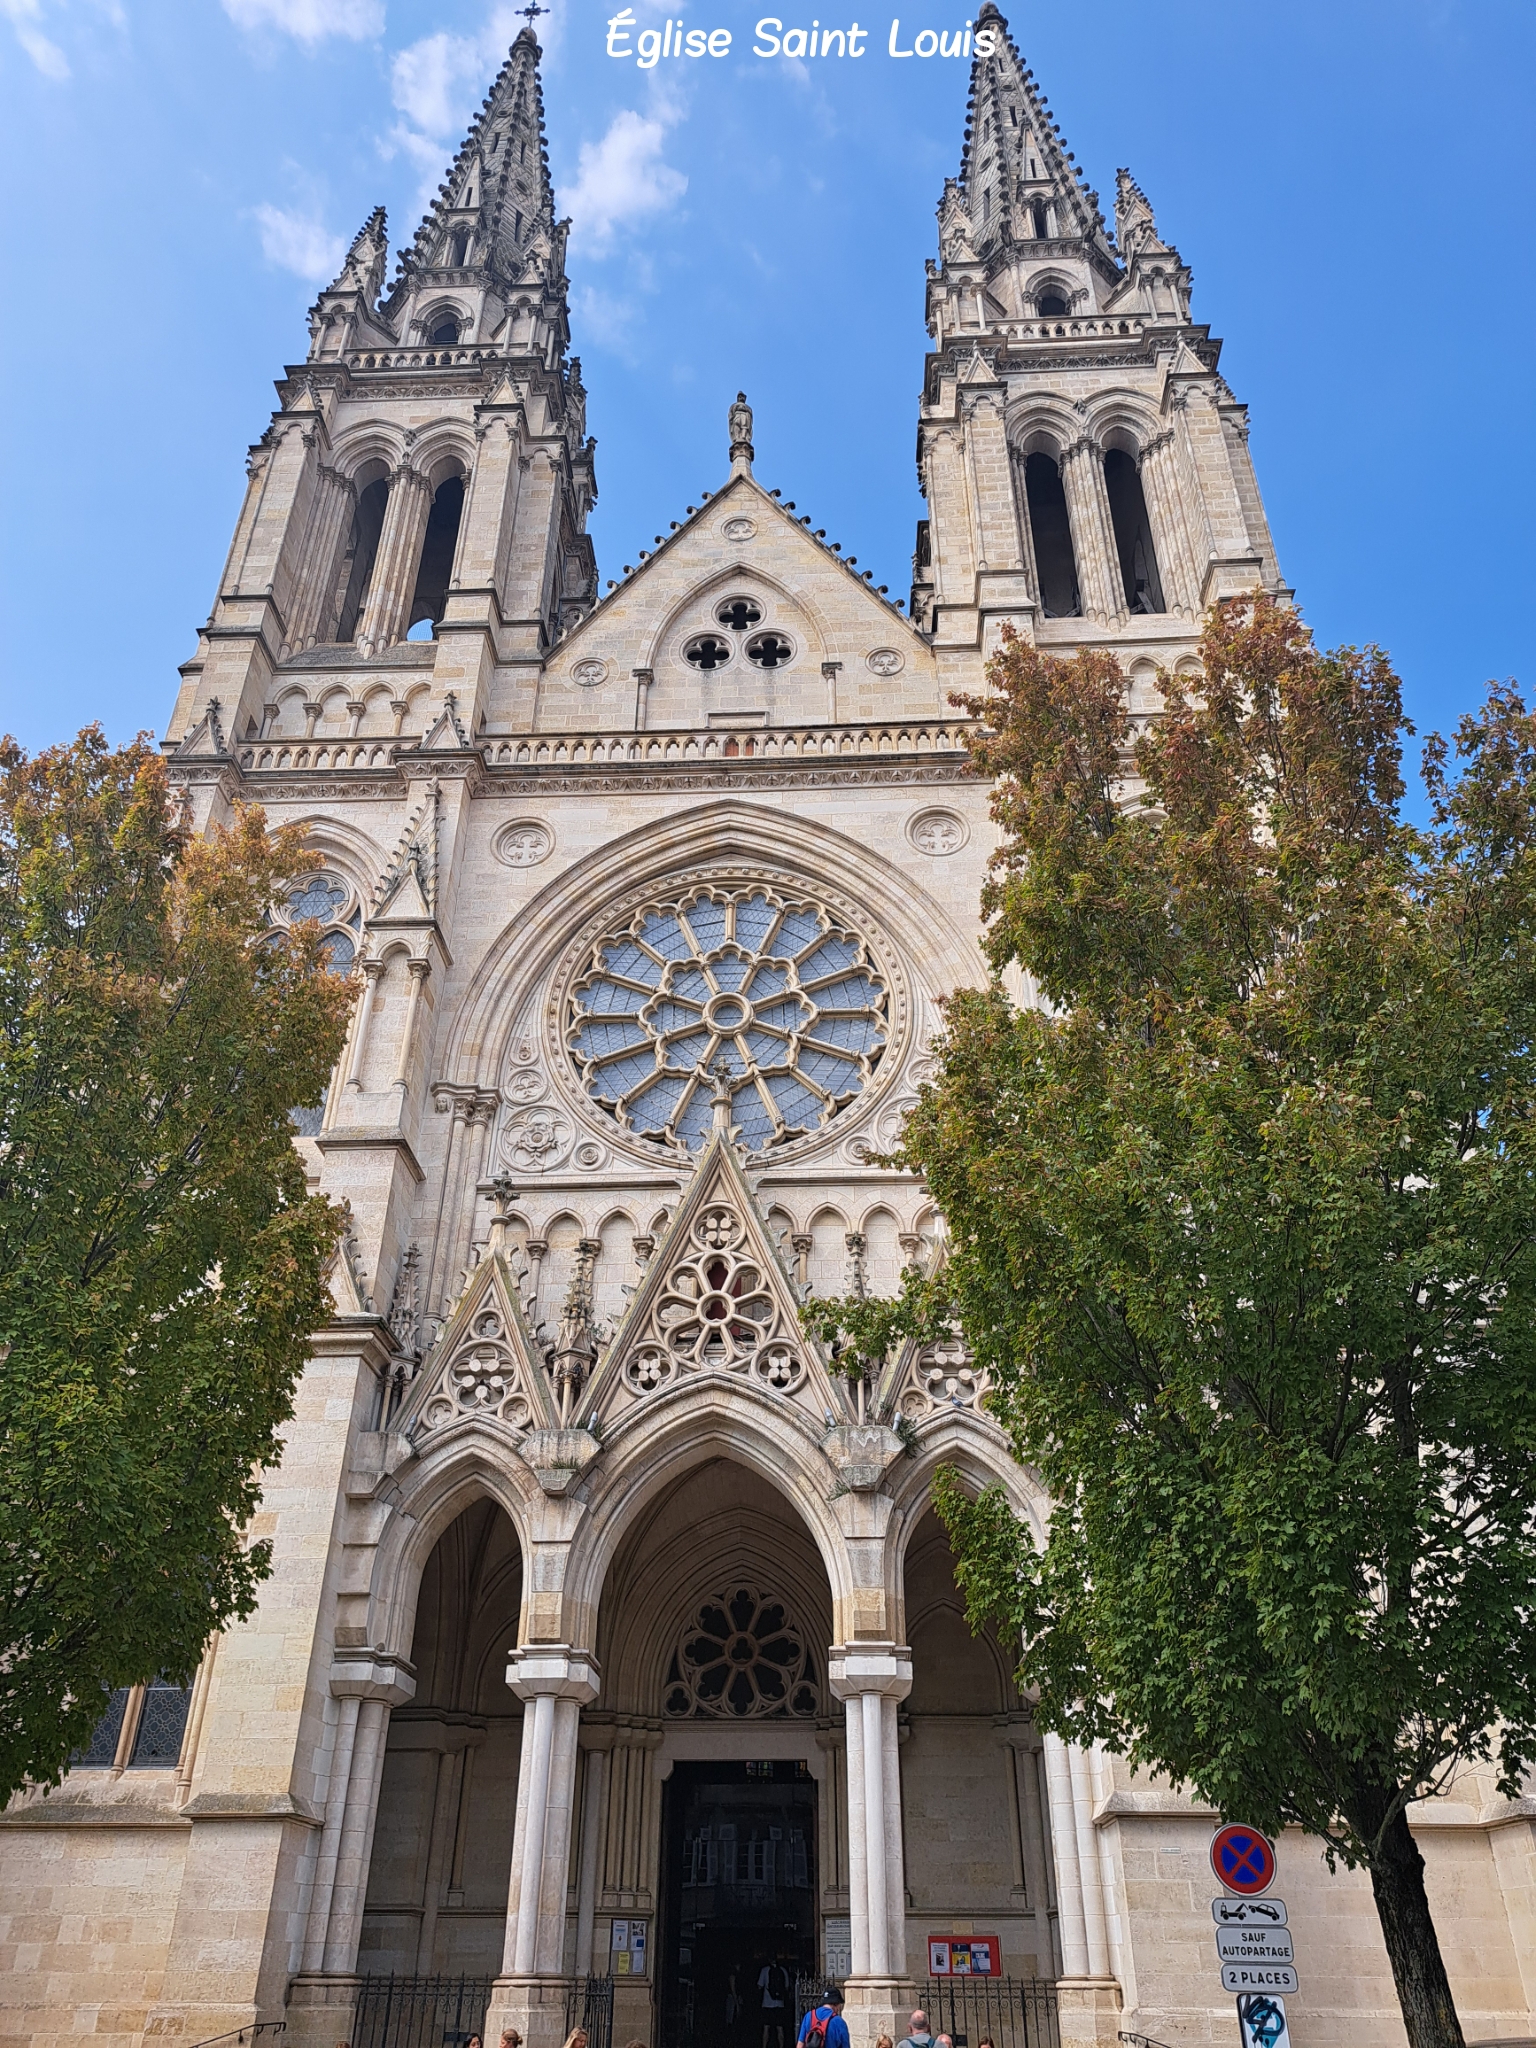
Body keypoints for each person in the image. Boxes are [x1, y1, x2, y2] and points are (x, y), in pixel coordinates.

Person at [759, 1956, 791, 2048]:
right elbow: (787, 1987)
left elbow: (759, 1986)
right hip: (780, 2004)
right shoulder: (783, 1971)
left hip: (767, 2004)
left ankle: (764, 2046)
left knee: (766, 2028)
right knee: (780, 2029)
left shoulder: (764, 1970)